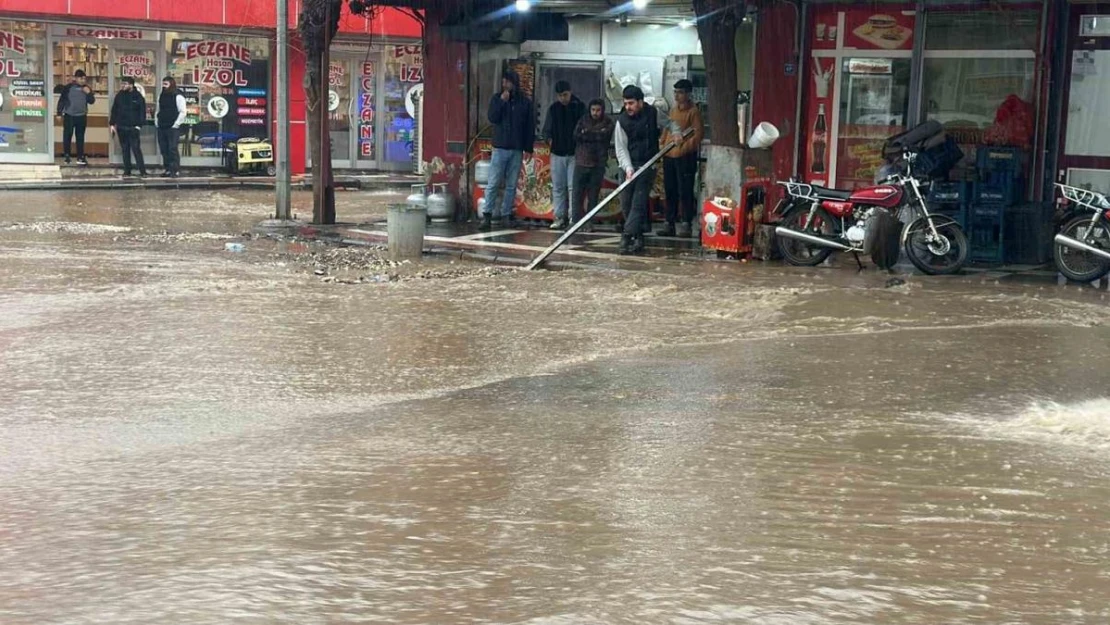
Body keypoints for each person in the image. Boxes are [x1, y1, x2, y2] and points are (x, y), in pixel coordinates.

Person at [614, 85, 679, 255]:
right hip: (627, 165)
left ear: (641, 102)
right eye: (626, 103)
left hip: (647, 165)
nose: (628, 107)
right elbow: (621, 148)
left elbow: (671, 123)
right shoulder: (621, 122)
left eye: (631, 103)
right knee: (626, 204)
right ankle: (638, 236)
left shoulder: (653, 113)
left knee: (638, 202)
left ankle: (627, 236)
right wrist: (628, 168)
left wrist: (676, 133)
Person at [481, 70, 535, 232]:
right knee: (493, 183)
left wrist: (528, 148)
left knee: (511, 184)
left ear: (515, 83)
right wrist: (501, 102)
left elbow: (529, 126)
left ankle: (506, 215)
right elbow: (492, 118)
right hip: (499, 147)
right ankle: (487, 215)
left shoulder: (524, 102)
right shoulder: (497, 99)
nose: (505, 85)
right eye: (504, 82)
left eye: (508, 82)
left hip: (517, 148)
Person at [660, 79, 705, 238]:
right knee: (669, 189)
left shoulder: (694, 112)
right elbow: (667, 128)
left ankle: (686, 222)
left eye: (680, 92)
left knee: (685, 190)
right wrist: (663, 145)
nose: (677, 95)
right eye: (675, 92)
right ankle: (669, 222)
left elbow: (698, 134)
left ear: (688, 94)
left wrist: (683, 149)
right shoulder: (673, 110)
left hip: (685, 157)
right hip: (669, 155)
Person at [542, 80, 585, 230]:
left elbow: (584, 130)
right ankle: (559, 217)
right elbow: (546, 130)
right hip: (557, 153)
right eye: (560, 96)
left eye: (565, 95)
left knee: (573, 187)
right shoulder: (554, 109)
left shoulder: (580, 107)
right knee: (558, 187)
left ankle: (574, 218)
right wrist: (548, 139)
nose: (563, 98)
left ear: (570, 92)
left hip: (574, 154)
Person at [571, 98, 614, 230]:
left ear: (603, 110)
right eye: (593, 110)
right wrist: (594, 134)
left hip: (598, 163)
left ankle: (589, 222)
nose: (595, 113)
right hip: (581, 161)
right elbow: (576, 136)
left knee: (593, 195)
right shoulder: (583, 120)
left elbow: (604, 137)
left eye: (598, 110)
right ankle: (575, 222)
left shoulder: (608, 122)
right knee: (577, 194)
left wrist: (588, 133)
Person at [109, 77, 148, 177]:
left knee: (136, 149)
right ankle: (127, 170)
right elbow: (114, 110)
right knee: (125, 149)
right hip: (121, 126)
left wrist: (139, 126)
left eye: (125, 84)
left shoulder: (138, 96)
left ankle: (142, 171)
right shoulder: (119, 95)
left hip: (133, 127)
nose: (122, 86)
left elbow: (142, 112)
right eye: (122, 84)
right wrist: (112, 124)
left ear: (131, 85)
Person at [54, 70, 95, 165]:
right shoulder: (68, 87)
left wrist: (88, 93)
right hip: (69, 115)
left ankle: (80, 156)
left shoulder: (87, 88)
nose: (83, 80)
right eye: (81, 78)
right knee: (67, 136)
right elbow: (62, 100)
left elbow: (92, 101)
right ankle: (67, 155)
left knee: (80, 137)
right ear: (75, 78)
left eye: (84, 78)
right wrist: (59, 113)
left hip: (82, 116)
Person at [157, 76, 187, 178]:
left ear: (171, 84)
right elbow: (158, 109)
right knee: (164, 149)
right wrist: (157, 122)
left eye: (166, 84)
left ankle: (175, 170)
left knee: (172, 148)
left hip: (172, 127)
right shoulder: (161, 95)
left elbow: (183, 112)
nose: (164, 86)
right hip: (162, 125)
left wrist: (176, 124)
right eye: (163, 84)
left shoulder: (178, 96)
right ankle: (167, 169)